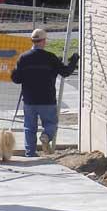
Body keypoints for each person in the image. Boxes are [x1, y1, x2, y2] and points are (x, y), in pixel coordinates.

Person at [11, 28, 79, 157]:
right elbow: (65, 72)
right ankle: (46, 135)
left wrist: (16, 72)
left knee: (29, 128)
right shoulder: (50, 57)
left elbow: (16, 79)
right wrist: (74, 60)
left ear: (32, 41)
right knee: (51, 124)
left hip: (30, 100)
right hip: (47, 100)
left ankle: (30, 153)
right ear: (43, 41)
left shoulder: (23, 58)